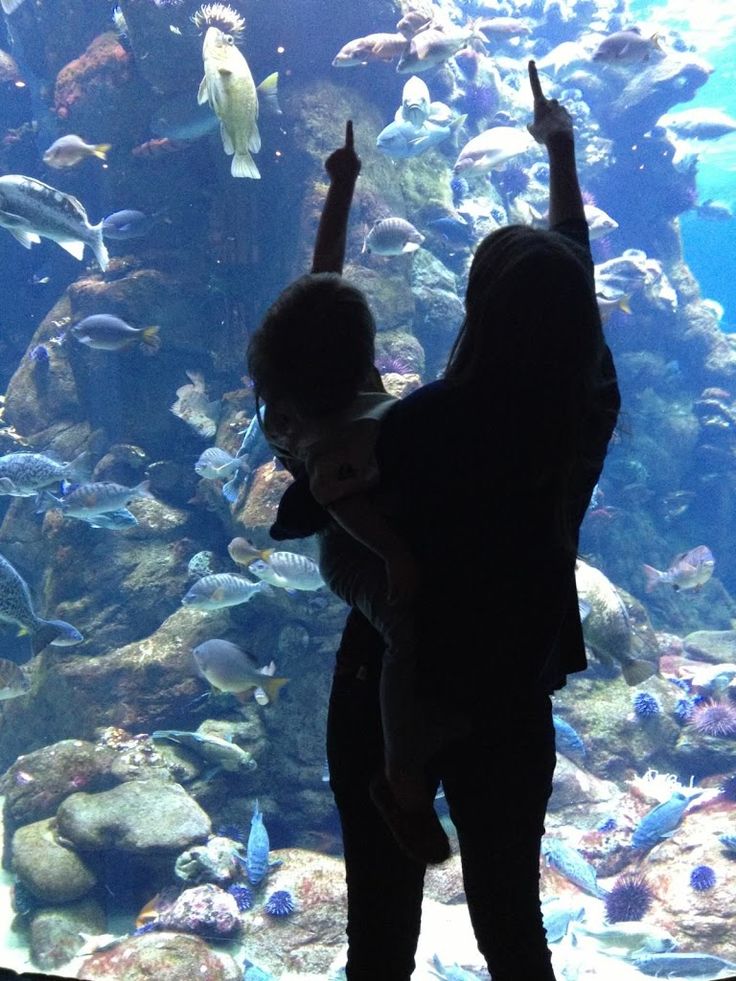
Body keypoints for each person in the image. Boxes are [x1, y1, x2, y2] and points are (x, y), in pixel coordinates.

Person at [323, 61, 621, 981]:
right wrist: (561, 150)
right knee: (511, 921)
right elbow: (570, 270)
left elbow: (321, 351)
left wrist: (340, 197)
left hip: (391, 681)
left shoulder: (417, 424)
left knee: (379, 925)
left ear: (473, 309)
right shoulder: (584, 415)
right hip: (513, 679)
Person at [246, 122, 451, 865]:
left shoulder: (327, 377)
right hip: (352, 542)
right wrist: (395, 554)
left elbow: (325, 274)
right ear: (359, 360)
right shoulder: (333, 435)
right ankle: (401, 779)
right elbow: (342, 502)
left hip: (377, 506)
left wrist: (342, 183)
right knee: (411, 631)